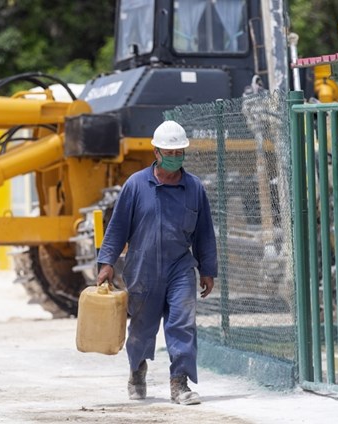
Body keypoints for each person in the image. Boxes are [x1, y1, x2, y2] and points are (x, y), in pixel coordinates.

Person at [96, 120, 217, 405]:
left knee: (183, 323)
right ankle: (137, 371)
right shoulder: (136, 185)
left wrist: (208, 269)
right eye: (169, 153)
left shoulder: (194, 188)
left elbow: (204, 232)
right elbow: (117, 228)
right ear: (156, 152)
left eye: (179, 153)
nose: (175, 158)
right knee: (141, 328)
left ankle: (180, 384)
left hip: (180, 267)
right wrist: (107, 263)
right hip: (143, 268)